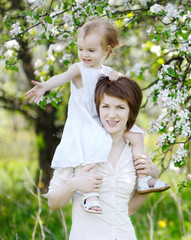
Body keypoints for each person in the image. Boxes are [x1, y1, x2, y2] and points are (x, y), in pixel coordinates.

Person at [25, 18, 169, 214]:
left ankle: (144, 178)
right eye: (81, 49)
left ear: (106, 51)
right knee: (90, 152)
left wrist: (119, 78)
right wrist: (44, 87)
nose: (84, 54)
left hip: (102, 120)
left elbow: (123, 88)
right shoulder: (79, 69)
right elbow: (61, 78)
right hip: (84, 122)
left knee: (136, 135)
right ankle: (90, 195)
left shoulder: (108, 72)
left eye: (91, 51)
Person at [46, 76, 158, 239]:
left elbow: (130, 209)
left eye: (120, 107)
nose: (111, 115)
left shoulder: (133, 151)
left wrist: (153, 175)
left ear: (131, 111)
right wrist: (75, 184)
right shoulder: (78, 146)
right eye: (105, 106)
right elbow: (53, 203)